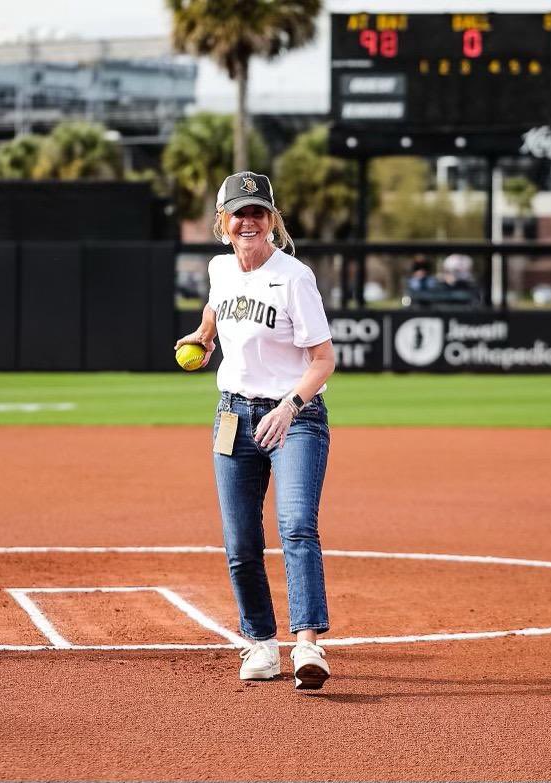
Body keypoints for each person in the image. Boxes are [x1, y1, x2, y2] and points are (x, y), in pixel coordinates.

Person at [175, 171, 335, 690]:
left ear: (271, 220)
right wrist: (203, 335)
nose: (249, 221)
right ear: (222, 222)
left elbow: (323, 359)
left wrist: (289, 406)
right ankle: (261, 644)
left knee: (296, 527)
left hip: (295, 418)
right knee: (240, 540)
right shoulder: (221, 269)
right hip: (231, 417)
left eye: (257, 212)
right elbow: (218, 304)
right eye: (239, 212)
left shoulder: (295, 277)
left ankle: (308, 645)